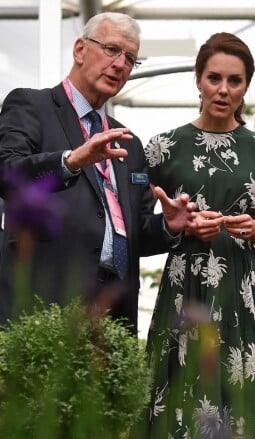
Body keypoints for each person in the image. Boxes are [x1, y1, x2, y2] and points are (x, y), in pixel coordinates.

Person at [132, 32, 255, 439]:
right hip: (186, 291)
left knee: (242, 403)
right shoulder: (161, 149)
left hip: (244, 296)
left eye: (235, 80)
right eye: (215, 78)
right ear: (198, 80)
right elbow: (142, 226)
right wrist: (176, 225)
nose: (224, 89)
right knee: (186, 397)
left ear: (246, 87)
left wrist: (254, 229)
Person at [0, 12, 194, 335]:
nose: (120, 65)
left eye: (130, 59)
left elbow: (137, 231)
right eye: (111, 49)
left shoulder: (128, 144)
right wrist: (70, 161)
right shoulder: (31, 106)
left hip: (113, 313)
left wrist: (168, 225)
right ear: (79, 50)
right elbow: (7, 175)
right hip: (44, 301)